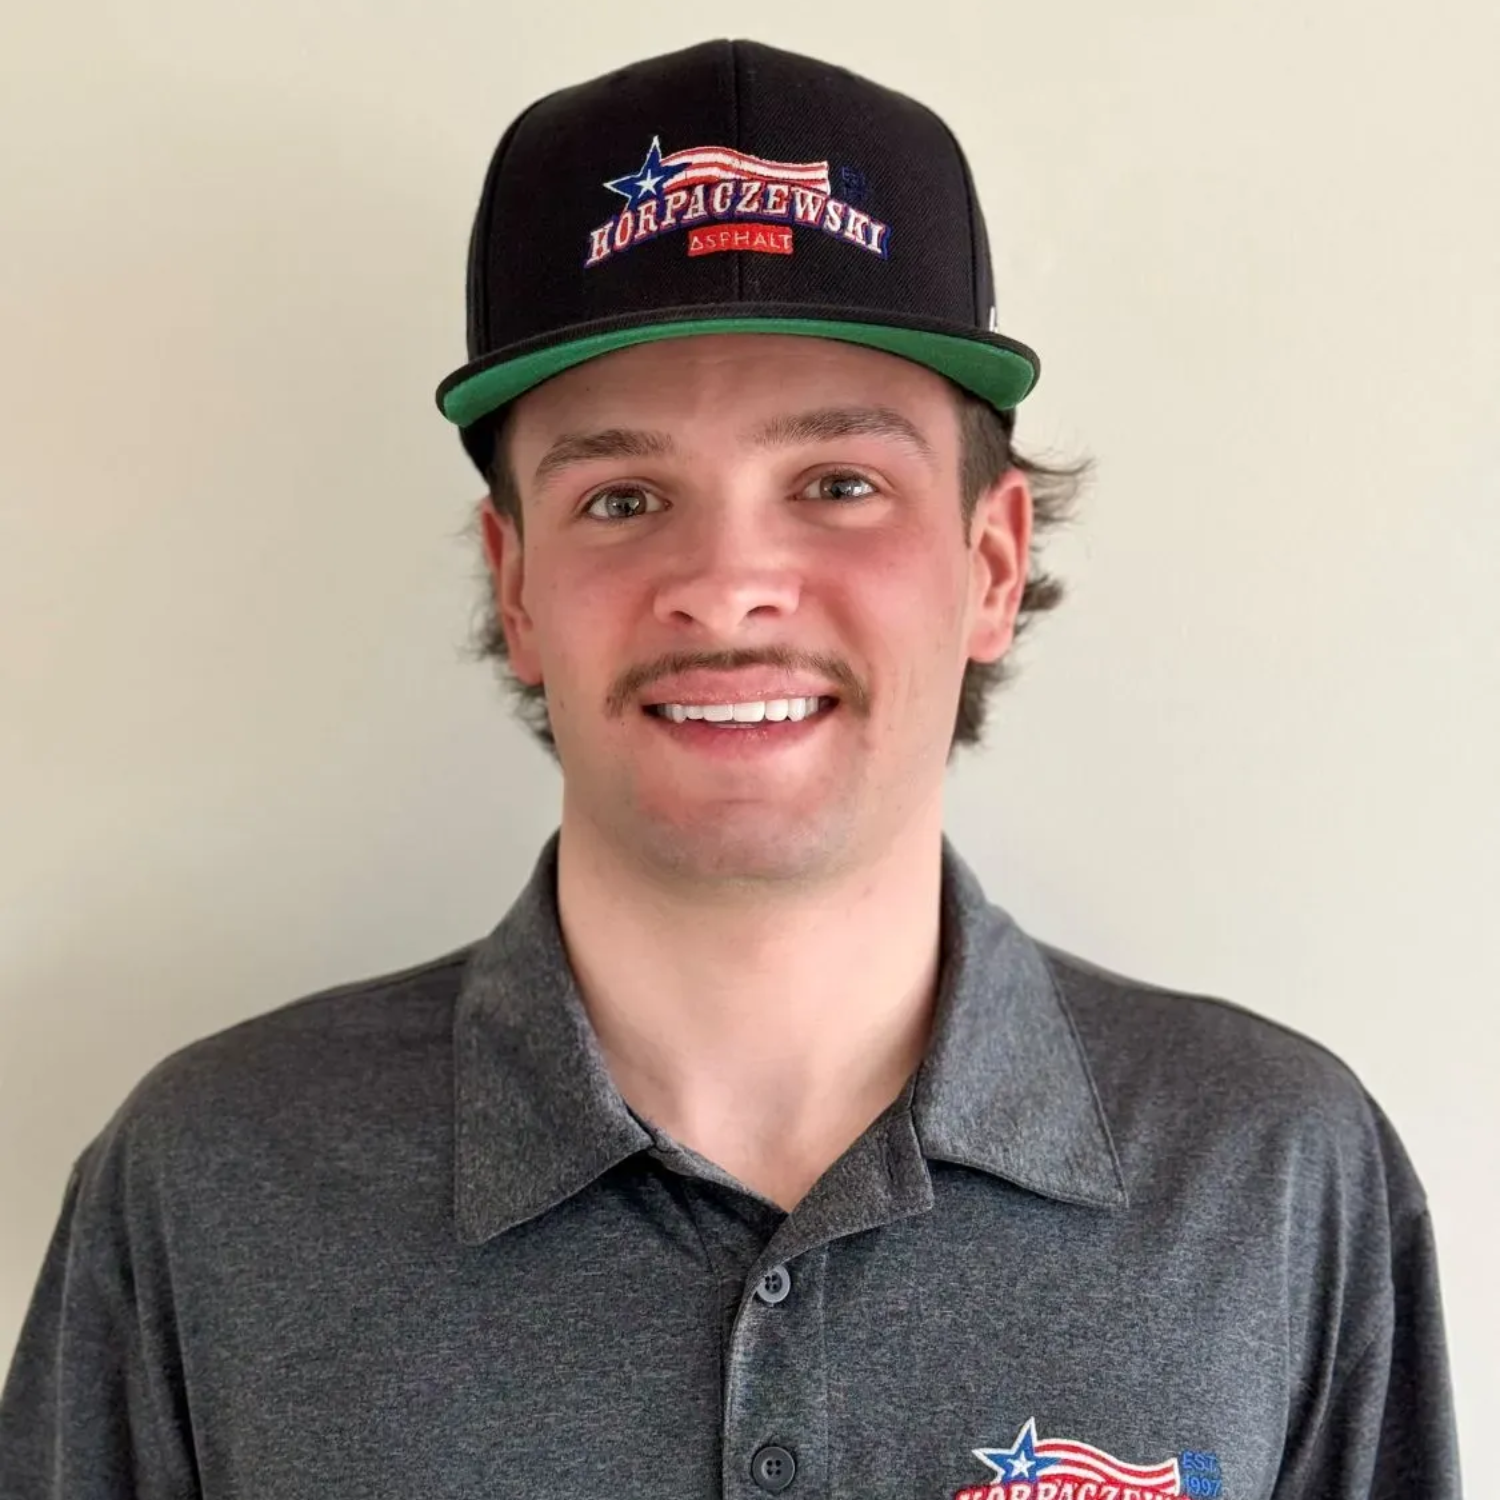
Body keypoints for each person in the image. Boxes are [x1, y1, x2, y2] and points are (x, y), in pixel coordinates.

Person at [0, 38, 1460, 1500]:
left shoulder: (1272, 1176)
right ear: (516, 586)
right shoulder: (211, 1185)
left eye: (839, 485)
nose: (726, 584)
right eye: (624, 496)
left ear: (994, 560)